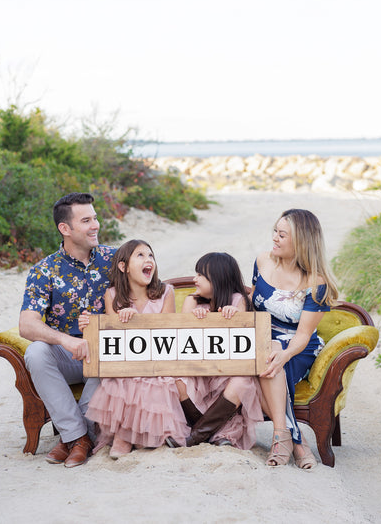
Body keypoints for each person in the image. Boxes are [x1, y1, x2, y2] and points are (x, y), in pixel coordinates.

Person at [19, 192, 116, 468]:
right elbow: (26, 324)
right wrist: (65, 341)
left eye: (95, 218)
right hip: (69, 356)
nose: (95, 225)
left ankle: (72, 439)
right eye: (86, 221)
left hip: (106, 355)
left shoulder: (115, 259)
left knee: (112, 354)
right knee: (36, 353)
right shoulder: (44, 271)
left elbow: (148, 293)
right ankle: (80, 437)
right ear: (65, 228)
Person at [79, 239, 190, 458]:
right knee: (122, 380)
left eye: (151, 256)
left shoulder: (165, 292)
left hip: (158, 358)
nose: (148, 260)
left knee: (153, 381)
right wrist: (92, 324)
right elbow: (114, 340)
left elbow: (167, 332)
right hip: (127, 361)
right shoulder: (112, 295)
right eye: (140, 255)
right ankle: (129, 436)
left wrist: (138, 319)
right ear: (124, 267)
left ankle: (128, 437)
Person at [252, 208, 338, 469]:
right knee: (264, 356)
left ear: (301, 242)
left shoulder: (316, 283)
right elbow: (252, 301)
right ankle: (296, 441)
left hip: (297, 347)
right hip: (261, 340)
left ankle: (284, 439)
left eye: (282, 235)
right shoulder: (262, 261)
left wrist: (284, 354)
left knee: (269, 362)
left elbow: (303, 335)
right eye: (275, 232)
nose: (274, 238)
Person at [167, 252, 264, 450]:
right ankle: (212, 432)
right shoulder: (192, 301)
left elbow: (241, 343)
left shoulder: (238, 300)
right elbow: (181, 339)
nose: (195, 279)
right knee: (176, 379)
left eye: (200, 275)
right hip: (197, 369)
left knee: (243, 381)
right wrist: (194, 319)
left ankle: (195, 436)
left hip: (225, 370)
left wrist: (235, 317)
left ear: (218, 278)